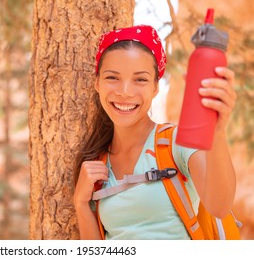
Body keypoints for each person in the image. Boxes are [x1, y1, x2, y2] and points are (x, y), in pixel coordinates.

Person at [73, 25, 237, 240]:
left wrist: (217, 131)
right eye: (112, 78)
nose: (124, 92)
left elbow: (219, 206)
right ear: (97, 83)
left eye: (140, 79)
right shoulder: (97, 164)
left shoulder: (177, 143)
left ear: (155, 87)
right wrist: (81, 204)